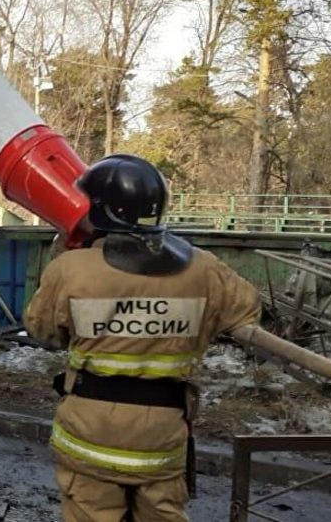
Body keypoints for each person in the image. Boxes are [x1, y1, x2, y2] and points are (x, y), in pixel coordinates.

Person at [24, 154, 262, 522]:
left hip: (90, 435)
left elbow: (42, 330)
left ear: (99, 210)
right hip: (162, 438)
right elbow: (245, 311)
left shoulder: (71, 269)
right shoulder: (204, 268)